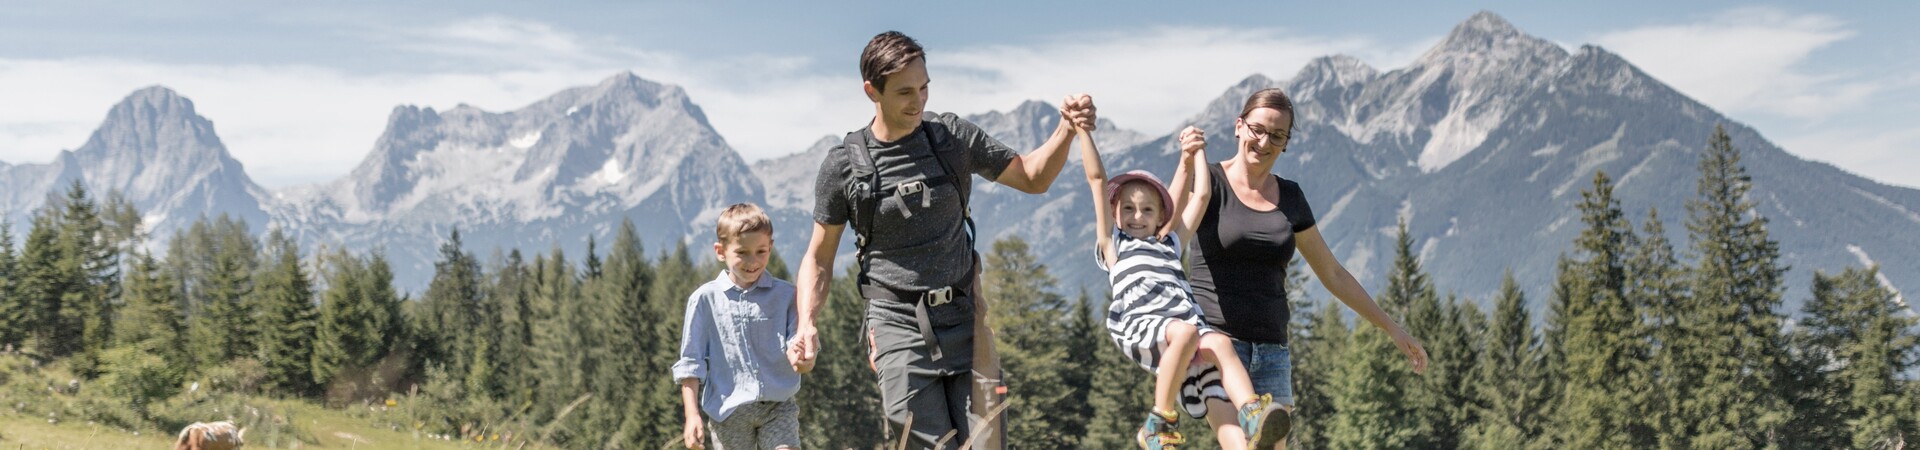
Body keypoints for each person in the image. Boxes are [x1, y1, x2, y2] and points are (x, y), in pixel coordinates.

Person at [788, 31, 1095, 449]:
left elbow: (1033, 177)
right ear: (870, 91)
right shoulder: (845, 165)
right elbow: (819, 258)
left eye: (925, 87)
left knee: (986, 442)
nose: (919, 101)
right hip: (898, 324)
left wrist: (1067, 129)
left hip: (966, 316)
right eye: (904, 92)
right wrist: (806, 322)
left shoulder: (951, 137)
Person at [1186, 88, 1430, 449]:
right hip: (1216, 344)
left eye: (1277, 135)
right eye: (1257, 129)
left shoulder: (1291, 197)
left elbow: (1332, 273)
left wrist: (1391, 328)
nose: (1264, 141)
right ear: (1239, 126)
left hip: (1273, 352)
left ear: (1285, 143)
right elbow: (1167, 237)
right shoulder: (1207, 182)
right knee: (1238, 445)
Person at [1077, 126, 1288, 449]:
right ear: (1115, 212)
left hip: (1186, 335)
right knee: (1188, 332)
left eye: (1148, 210)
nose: (1137, 216)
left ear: (1161, 215)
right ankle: (1158, 421)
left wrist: (1197, 152)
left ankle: (1251, 413)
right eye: (1129, 209)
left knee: (1219, 343)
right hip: (1145, 325)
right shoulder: (1114, 246)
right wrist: (1084, 133)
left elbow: (1201, 195)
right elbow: (1097, 180)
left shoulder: (1170, 244)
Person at [674, 203, 809, 450]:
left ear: (771, 247)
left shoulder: (787, 296)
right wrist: (691, 415)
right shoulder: (704, 300)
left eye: (761, 251)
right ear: (720, 251)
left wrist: (803, 356)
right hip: (728, 412)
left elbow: (800, 345)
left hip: (777, 407)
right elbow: (691, 364)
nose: (753, 261)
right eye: (742, 252)